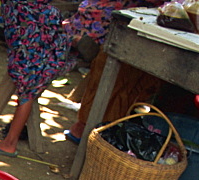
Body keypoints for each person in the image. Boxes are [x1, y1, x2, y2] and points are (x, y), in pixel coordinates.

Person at [0, 0, 73, 157]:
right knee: (26, 88)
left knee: (26, 93)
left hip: (37, 59)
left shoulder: (33, 11)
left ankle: (9, 143)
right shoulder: (39, 11)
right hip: (35, 53)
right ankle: (11, 140)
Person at [63, 0, 164, 143]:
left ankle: (103, 130)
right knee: (110, 62)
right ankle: (89, 128)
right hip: (126, 24)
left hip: (144, 24)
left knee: (131, 74)